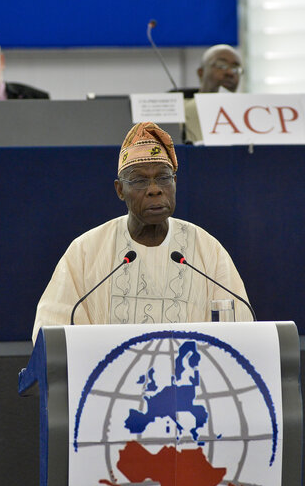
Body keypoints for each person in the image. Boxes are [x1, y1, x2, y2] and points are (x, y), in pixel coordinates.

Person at [31, 122, 252, 340]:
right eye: (139, 181)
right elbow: (52, 331)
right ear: (120, 190)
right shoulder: (86, 250)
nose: (154, 190)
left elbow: (240, 328)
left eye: (163, 178)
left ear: (175, 183)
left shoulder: (206, 248)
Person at [184, 44, 243, 143]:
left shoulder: (248, 113)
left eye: (235, 68)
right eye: (221, 66)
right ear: (201, 73)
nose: (230, 72)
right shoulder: (181, 111)